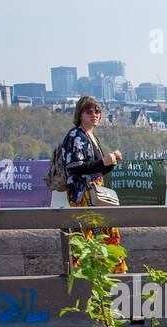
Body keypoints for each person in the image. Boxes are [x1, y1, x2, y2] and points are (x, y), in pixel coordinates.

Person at [61, 95, 127, 272]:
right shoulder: (76, 136)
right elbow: (74, 166)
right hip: (83, 195)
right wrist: (102, 163)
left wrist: (111, 162)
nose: (94, 114)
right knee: (89, 236)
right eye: (88, 111)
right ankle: (91, 272)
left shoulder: (91, 136)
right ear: (80, 114)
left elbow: (97, 169)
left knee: (107, 232)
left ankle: (108, 270)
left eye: (97, 111)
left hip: (96, 195)